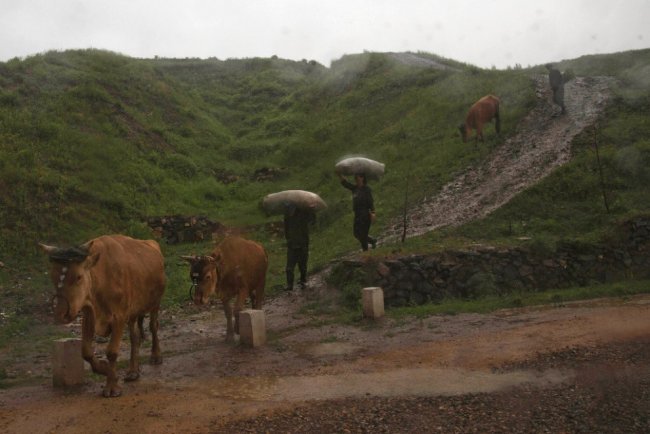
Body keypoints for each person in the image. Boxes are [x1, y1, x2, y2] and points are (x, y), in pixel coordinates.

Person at [338, 172, 377, 251]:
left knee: (363, 234)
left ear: (362, 178)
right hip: (357, 215)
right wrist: (340, 175)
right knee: (356, 234)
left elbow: (370, 202)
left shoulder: (366, 189)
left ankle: (366, 252)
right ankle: (372, 240)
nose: (356, 179)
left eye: (357, 177)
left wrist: (373, 213)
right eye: (355, 177)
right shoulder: (355, 189)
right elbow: (345, 184)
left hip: (365, 214)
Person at [283, 203, 315, 290]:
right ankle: (290, 285)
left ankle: (303, 280)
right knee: (289, 268)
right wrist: (288, 239)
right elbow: (286, 229)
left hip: (302, 243)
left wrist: (311, 210)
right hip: (292, 244)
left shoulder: (303, 213)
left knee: (303, 265)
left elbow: (312, 221)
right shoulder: (287, 215)